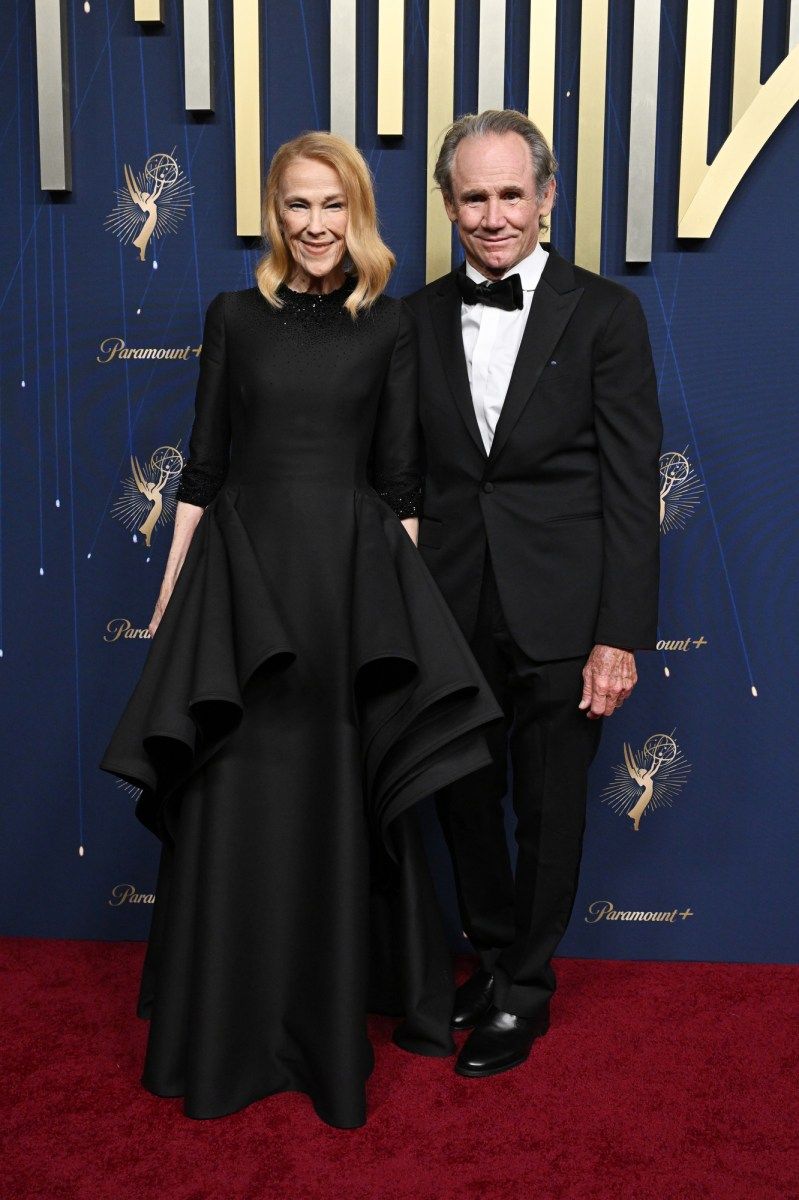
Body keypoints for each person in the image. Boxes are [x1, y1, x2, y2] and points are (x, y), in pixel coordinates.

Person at [100, 131, 501, 1129]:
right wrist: (170, 598)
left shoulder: (388, 324)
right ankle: (229, 1014)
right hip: (243, 586)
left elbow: (400, 483)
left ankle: (321, 1018)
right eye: (296, 205)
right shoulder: (232, 316)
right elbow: (202, 467)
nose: (314, 224)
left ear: (355, 211)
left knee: (332, 793)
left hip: (343, 593)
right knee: (236, 791)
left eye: (331, 204)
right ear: (273, 214)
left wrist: (399, 618)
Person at [405, 110, 662, 1078]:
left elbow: (631, 485)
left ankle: (524, 989)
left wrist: (618, 634)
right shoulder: (411, 319)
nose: (493, 215)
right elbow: (401, 477)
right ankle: (491, 956)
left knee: (549, 811)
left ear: (547, 197)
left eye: (511, 193)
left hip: (564, 611)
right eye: (473, 196)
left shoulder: (605, 313)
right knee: (464, 801)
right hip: (447, 606)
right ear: (447, 204)